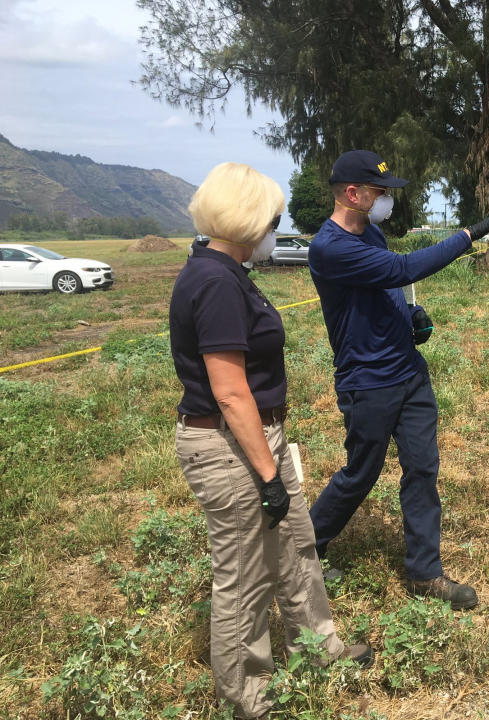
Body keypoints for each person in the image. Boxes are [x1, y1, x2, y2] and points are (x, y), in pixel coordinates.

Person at [170, 162, 371, 720]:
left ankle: (317, 649)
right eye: (273, 218)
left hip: (255, 439)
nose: (276, 229)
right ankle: (248, 695)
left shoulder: (225, 270)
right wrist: (266, 475)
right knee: (245, 574)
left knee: (297, 546)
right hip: (231, 447)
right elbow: (230, 390)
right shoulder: (213, 281)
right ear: (248, 219)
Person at [307, 149, 489, 611]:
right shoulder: (330, 247)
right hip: (369, 381)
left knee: (422, 468)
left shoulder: (372, 232)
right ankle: (306, 550)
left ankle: (425, 573)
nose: (386, 200)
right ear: (353, 194)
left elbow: (390, 286)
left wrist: (409, 314)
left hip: (408, 372)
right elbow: (403, 269)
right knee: (362, 472)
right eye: (380, 192)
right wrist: (467, 235)